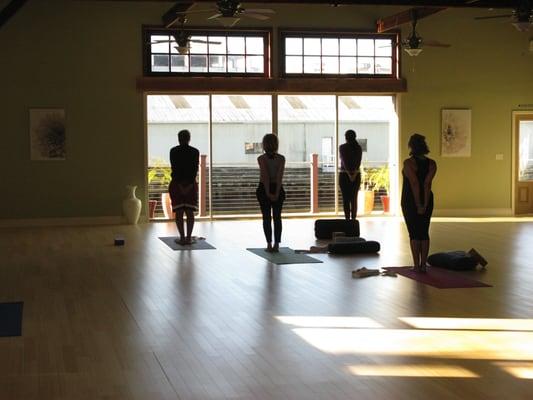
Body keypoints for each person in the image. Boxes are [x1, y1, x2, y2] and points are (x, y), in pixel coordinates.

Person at [401, 133, 437, 272]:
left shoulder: (408, 163)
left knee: (414, 233)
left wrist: (418, 204)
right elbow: (427, 184)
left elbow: (415, 183)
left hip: (410, 200)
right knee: (424, 231)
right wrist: (425, 203)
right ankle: (423, 266)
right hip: (427, 199)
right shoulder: (432, 163)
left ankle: (416, 266)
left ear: (411, 146)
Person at [169, 129, 200, 245]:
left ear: (179, 139)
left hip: (176, 184)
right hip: (191, 185)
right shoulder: (195, 151)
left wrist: (180, 185)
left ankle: (182, 237)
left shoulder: (173, 151)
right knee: (190, 212)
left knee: (179, 212)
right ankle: (188, 238)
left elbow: (175, 168)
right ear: (189, 139)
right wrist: (190, 184)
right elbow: (194, 169)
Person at [256, 134, 286, 252]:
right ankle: (277, 245)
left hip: (264, 189)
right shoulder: (281, 158)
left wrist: (268, 193)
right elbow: (279, 177)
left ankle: (269, 244)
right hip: (278, 188)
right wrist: (277, 192)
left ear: (264, 145)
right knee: (277, 217)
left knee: (266, 217)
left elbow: (265, 177)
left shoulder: (261, 158)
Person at [339, 130, 363, 220]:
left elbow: (344, 162)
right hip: (356, 175)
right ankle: (353, 220)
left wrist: (349, 175)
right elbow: (358, 163)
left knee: (345, 199)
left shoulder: (342, 147)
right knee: (354, 199)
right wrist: (353, 175)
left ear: (346, 137)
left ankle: (347, 220)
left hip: (344, 175)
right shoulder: (359, 148)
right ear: (355, 137)